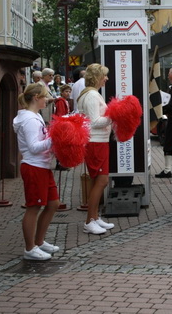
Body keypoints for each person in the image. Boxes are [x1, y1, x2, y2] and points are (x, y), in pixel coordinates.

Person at [13, 83, 60, 260]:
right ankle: (30, 248)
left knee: (53, 203)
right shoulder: (30, 120)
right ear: (36, 98)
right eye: (45, 96)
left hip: (42, 166)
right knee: (34, 207)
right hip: (34, 166)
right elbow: (33, 147)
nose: (47, 99)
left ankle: (39, 242)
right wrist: (54, 138)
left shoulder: (35, 116)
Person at [77, 63, 115, 235]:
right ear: (97, 77)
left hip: (98, 141)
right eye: (104, 75)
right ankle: (89, 220)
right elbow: (94, 122)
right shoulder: (92, 95)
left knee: (97, 181)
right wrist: (113, 116)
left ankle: (94, 217)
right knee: (101, 181)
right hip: (95, 142)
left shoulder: (91, 94)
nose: (106, 78)